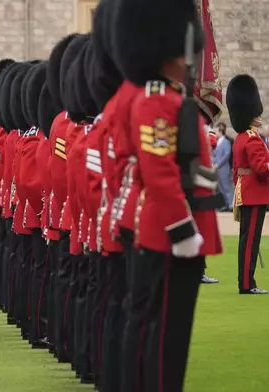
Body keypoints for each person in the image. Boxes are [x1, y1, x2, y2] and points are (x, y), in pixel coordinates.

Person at [113, 0, 223, 390]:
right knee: (163, 337)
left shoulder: (173, 96)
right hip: (169, 235)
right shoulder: (159, 100)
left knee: (172, 335)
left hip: (180, 230)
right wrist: (182, 230)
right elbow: (158, 171)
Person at [227, 74, 269, 295]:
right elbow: (261, 169)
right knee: (250, 242)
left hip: (246, 192)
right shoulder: (252, 139)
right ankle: (246, 284)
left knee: (248, 242)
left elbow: (236, 172)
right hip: (255, 195)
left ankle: (246, 282)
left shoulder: (241, 138)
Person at [213, 122, 234, 211]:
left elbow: (226, 155)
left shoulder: (226, 142)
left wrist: (218, 164)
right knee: (221, 188)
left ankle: (231, 205)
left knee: (227, 187)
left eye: (216, 131)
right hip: (217, 168)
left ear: (221, 131)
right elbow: (214, 155)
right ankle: (225, 204)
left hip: (224, 168)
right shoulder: (217, 142)